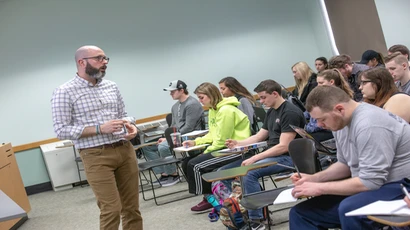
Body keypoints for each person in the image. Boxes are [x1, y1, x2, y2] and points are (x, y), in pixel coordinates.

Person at [288, 86, 410, 230]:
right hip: (376, 185)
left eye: (322, 119)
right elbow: (345, 164)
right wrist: (313, 179)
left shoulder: (369, 124)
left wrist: (319, 188)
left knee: (349, 210)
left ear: (339, 109)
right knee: (301, 213)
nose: (320, 125)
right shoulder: (339, 123)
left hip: (401, 186)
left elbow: (370, 182)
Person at [51, 45, 143, 230]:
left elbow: (124, 114)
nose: (105, 62)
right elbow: (61, 130)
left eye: (105, 58)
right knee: (111, 209)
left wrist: (130, 125)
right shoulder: (64, 91)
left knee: (132, 208)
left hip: (124, 150)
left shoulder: (111, 86)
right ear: (81, 62)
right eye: (99, 59)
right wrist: (99, 129)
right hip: (95, 155)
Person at [221, 79, 306, 230]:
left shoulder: (290, 112)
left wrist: (254, 157)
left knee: (249, 172)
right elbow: (259, 136)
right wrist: (238, 143)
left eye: (263, 97)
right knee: (230, 172)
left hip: (290, 158)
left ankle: (258, 220)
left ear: (275, 94)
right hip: (274, 156)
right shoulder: (272, 111)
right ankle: (254, 209)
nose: (261, 101)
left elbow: (283, 146)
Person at [182, 82, 251, 212]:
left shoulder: (225, 110)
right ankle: (209, 197)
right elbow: (213, 134)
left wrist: (205, 152)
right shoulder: (214, 109)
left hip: (235, 150)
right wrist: (196, 142)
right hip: (223, 147)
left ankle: (212, 200)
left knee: (195, 165)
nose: (200, 101)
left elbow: (223, 140)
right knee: (186, 162)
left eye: (201, 97)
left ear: (211, 95)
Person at [142, 80, 204, 186]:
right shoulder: (175, 106)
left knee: (163, 147)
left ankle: (174, 175)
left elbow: (189, 127)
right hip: (176, 136)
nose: (170, 93)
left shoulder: (192, 104)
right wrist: (165, 137)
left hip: (190, 136)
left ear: (181, 90)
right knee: (147, 147)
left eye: (173, 91)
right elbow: (172, 126)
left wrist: (169, 139)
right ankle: (164, 174)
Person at [305, 69, 353, 142]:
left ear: (331, 82)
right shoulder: (320, 96)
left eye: (321, 83)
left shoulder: (337, 99)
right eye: (317, 83)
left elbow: (324, 123)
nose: (318, 86)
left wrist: (309, 128)